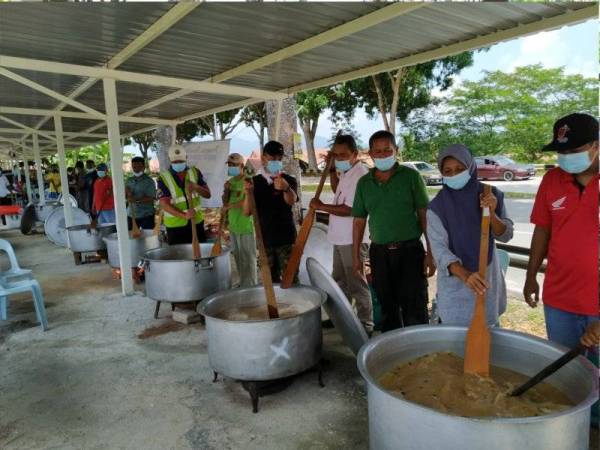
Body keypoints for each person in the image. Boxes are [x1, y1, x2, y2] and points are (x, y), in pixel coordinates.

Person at [524, 113, 599, 354]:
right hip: (559, 299)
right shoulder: (551, 180)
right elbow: (542, 230)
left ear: (596, 145)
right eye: (561, 152)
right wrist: (531, 275)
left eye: (573, 150)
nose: (566, 158)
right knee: (566, 378)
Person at [352, 130, 436, 331]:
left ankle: (420, 356)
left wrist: (431, 253)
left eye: (387, 150)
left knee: (414, 306)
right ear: (370, 154)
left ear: (396, 151)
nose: (382, 155)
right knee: (387, 307)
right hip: (379, 254)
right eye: (378, 151)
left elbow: (425, 216)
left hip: (410, 252)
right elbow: (358, 221)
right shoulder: (364, 183)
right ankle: (394, 355)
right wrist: (356, 256)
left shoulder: (411, 177)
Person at [427, 144, 514, 326]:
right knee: (454, 345)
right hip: (455, 287)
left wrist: (492, 213)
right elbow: (440, 251)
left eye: (460, 169)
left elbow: (505, 235)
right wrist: (466, 275)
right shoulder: (437, 208)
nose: (453, 175)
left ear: (471, 167)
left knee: (489, 340)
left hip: (486, 283)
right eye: (447, 171)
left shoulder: (490, 195)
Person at [309, 134, 374, 334]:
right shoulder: (348, 172)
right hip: (339, 237)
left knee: (356, 283)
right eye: (335, 155)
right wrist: (330, 172)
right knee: (339, 282)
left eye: (343, 155)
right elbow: (338, 190)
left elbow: (351, 209)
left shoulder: (360, 174)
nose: (339, 159)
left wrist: (322, 206)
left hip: (353, 239)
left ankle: (365, 324)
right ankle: (342, 318)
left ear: (355, 154)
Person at [243, 140, 298, 283]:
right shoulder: (254, 182)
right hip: (264, 240)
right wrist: (248, 193)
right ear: (263, 158)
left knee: (290, 280)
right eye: (272, 158)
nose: (276, 162)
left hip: (287, 239)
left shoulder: (289, 180)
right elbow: (246, 212)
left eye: (279, 159)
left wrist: (286, 188)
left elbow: (291, 201)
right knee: (269, 284)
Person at [157, 144, 211, 245]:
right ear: (170, 160)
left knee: (199, 255)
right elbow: (164, 204)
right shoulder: (163, 178)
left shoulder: (195, 172)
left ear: (186, 158)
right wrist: (184, 215)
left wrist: (196, 187)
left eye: (181, 161)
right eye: (175, 162)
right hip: (175, 227)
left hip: (196, 222)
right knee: (179, 258)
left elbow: (208, 194)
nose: (178, 163)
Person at [222, 153, 257, 287]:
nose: (231, 167)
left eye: (234, 165)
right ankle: (243, 283)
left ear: (242, 166)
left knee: (248, 257)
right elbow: (225, 202)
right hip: (234, 225)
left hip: (246, 225)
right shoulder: (230, 182)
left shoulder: (248, 181)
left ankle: (251, 284)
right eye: (229, 165)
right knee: (237, 256)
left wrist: (230, 205)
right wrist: (226, 191)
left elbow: (248, 201)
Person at [126, 156, 156, 230]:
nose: (136, 169)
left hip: (146, 215)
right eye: (134, 167)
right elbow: (126, 196)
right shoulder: (129, 180)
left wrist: (136, 200)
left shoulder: (149, 181)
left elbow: (151, 198)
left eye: (139, 166)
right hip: (131, 214)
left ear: (144, 167)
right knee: (131, 238)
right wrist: (126, 193)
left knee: (148, 238)